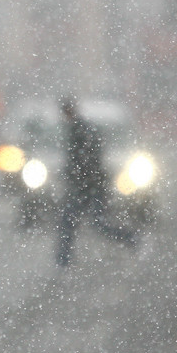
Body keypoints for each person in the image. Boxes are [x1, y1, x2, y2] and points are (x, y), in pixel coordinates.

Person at [55, 96, 136, 267]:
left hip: (89, 187)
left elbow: (87, 160)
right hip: (88, 186)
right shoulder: (78, 129)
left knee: (90, 223)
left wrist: (77, 175)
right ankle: (63, 261)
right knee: (77, 222)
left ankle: (131, 238)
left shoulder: (81, 131)